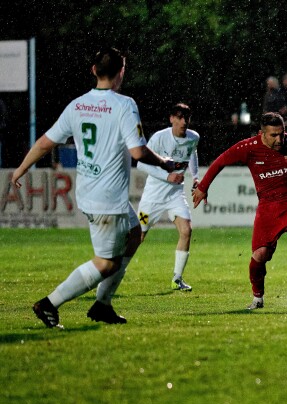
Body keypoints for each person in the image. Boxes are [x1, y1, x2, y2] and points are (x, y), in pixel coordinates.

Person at [11, 47, 177, 328]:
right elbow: (137, 152)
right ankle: (49, 303)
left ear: (93, 70)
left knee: (134, 234)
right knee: (106, 263)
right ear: (121, 72)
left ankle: (103, 305)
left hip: (90, 192)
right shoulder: (124, 104)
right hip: (107, 199)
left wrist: (20, 169)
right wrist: (165, 163)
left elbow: (44, 142)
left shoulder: (77, 105)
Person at [193, 112, 287, 310]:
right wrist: (203, 187)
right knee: (260, 254)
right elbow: (220, 161)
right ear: (262, 134)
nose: (279, 139)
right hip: (267, 206)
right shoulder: (248, 147)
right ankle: (257, 298)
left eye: (281, 134)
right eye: (273, 135)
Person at [135, 103, 200, 291]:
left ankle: (177, 279)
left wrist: (195, 176)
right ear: (171, 118)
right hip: (152, 198)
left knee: (186, 231)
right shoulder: (159, 138)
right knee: (137, 237)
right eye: (179, 117)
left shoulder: (193, 137)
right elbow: (140, 164)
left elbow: (192, 152)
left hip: (175, 195)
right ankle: (111, 271)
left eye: (186, 118)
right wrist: (167, 176)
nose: (183, 122)